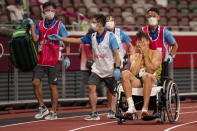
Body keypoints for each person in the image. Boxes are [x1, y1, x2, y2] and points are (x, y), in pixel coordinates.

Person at [48, 14, 121, 120]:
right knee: (91, 87)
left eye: (94, 22)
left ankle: (113, 110)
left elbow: (117, 53)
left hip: (109, 69)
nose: (92, 24)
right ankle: (94, 113)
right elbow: (77, 40)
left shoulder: (111, 37)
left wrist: (117, 68)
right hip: (97, 69)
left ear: (100, 24)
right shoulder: (92, 37)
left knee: (113, 92)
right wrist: (61, 38)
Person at [28, 1, 70, 120]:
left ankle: (54, 111)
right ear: (43, 12)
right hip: (41, 59)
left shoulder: (59, 25)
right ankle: (43, 108)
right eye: (48, 10)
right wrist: (32, 25)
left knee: (52, 86)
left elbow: (66, 41)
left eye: (52, 11)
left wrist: (67, 57)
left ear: (55, 12)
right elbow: (36, 39)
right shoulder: (39, 24)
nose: (50, 12)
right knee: (35, 82)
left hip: (54, 59)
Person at [121, 31, 162, 118]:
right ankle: (131, 106)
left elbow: (151, 70)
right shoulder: (133, 56)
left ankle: (145, 108)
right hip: (139, 80)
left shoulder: (156, 53)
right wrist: (140, 55)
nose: (140, 45)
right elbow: (133, 72)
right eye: (138, 42)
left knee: (146, 75)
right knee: (125, 73)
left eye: (142, 42)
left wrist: (146, 55)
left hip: (153, 79)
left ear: (148, 42)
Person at [104, 15, 135, 119]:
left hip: (119, 63)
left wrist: (133, 58)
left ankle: (115, 108)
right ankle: (111, 107)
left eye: (111, 20)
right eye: (107, 21)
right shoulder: (103, 33)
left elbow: (130, 45)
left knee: (118, 87)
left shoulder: (120, 33)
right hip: (107, 64)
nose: (109, 22)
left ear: (115, 22)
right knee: (109, 89)